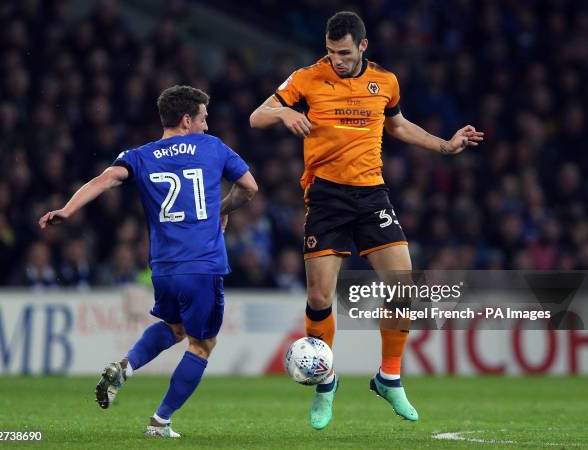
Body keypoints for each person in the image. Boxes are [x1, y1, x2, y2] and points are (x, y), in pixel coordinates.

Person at [250, 11, 483, 429]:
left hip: (371, 194)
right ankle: (326, 383)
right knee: (321, 297)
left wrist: (444, 146)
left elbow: (397, 125)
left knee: (402, 283)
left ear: (362, 46)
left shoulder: (386, 82)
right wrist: (284, 114)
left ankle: (389, 376)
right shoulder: (306, 78)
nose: (336, 60)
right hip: (325, 197)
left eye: (343, 53)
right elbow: (257, 116)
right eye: (330, 52)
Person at [39, 85, 258, 438]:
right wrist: (221, 210)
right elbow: (249, 187)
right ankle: (160, 421)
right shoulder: (213, 147)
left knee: (175, 326)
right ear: (187, 120)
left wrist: (67, 209)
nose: (206, 124)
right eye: (203, 118)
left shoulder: (141, 155)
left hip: (163, 267)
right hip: (202, 265)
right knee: (202, 345)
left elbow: (105, 179)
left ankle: (125, 366)